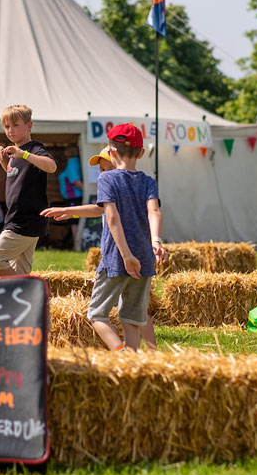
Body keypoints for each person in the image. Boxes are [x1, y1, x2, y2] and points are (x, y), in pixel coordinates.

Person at [43, 145, 164, 350]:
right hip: (141, 254)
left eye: (107, 169)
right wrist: (70, 212)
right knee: (136, 312)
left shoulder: (116, 183)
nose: (103, 174)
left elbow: (110, 215)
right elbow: (98, 209)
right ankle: (148, 353)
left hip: (117, 257)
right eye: (101, 170)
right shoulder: (141, 183)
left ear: (117, 162)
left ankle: (129, 352)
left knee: (108, 313)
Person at [84, 125, 166, 351]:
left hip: (117, 259)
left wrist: (126, 255)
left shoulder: (107, 179)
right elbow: (154, 212)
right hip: (145, 258)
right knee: (132, 318)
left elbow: (112, 219)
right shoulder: (149, 181)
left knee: (97, 314)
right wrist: (156, 240)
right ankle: (134, 362)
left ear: (111, 152)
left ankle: (121, 355)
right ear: (141, 153)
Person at [0, 105, 56, 276]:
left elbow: (51, 167)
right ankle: (26, 297)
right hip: (18, 218)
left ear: (29, 125)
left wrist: (23, 154)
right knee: (21, 271)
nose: (11, 130)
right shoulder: (14, 152)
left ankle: (29, 288)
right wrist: (1, 157)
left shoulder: (34, 149)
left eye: (16, 125)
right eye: (7, 126)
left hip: (26, 220)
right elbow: (15, 175)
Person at [57, 146, 83, 249]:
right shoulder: (75, 163)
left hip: (73, 198)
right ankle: (76, 244)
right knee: (74, 219)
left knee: (74, 220)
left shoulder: (72, 163)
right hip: (73, 197)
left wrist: (85, 190)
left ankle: (77, 245)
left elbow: (75, 180)